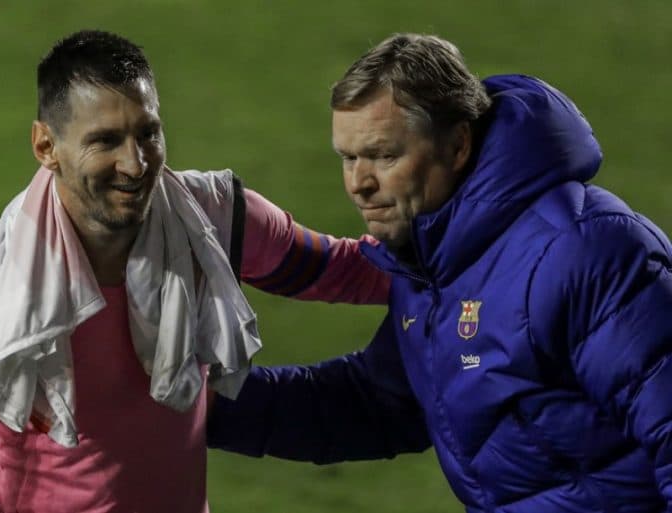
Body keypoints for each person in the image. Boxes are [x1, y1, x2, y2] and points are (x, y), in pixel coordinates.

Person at [0, 30, 390, 513]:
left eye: (147, 134)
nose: (135, 165)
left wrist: (441, 258)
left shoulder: (212, 220)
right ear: (46, 146)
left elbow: (349, 270)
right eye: (106, 141)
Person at [207, 33, 672, 512]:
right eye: (348, 158)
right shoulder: (435, 261)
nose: (359, 184)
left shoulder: (586, 253)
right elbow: (381, 402)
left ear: (457, 145)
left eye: (384, 156)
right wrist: (210, 404)